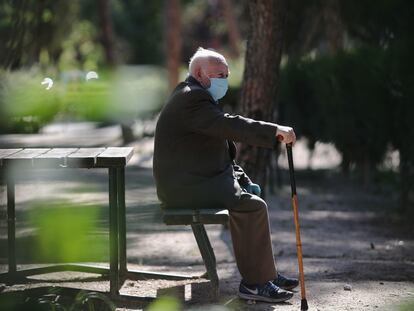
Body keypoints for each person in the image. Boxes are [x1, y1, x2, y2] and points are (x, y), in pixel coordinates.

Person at [153, 47, 298, 303]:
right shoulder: (192, 99)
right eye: (220, 75)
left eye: (227, 75)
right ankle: (255, 284)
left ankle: (265, 275)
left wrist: (243, 180)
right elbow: (229, 125)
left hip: (191, 181)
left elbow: (219, 153)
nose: (225, 81)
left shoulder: (193, 95)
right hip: (184, 188)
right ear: (199, 74)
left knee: (251, 203)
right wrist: (274, 130)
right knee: (253, 207)